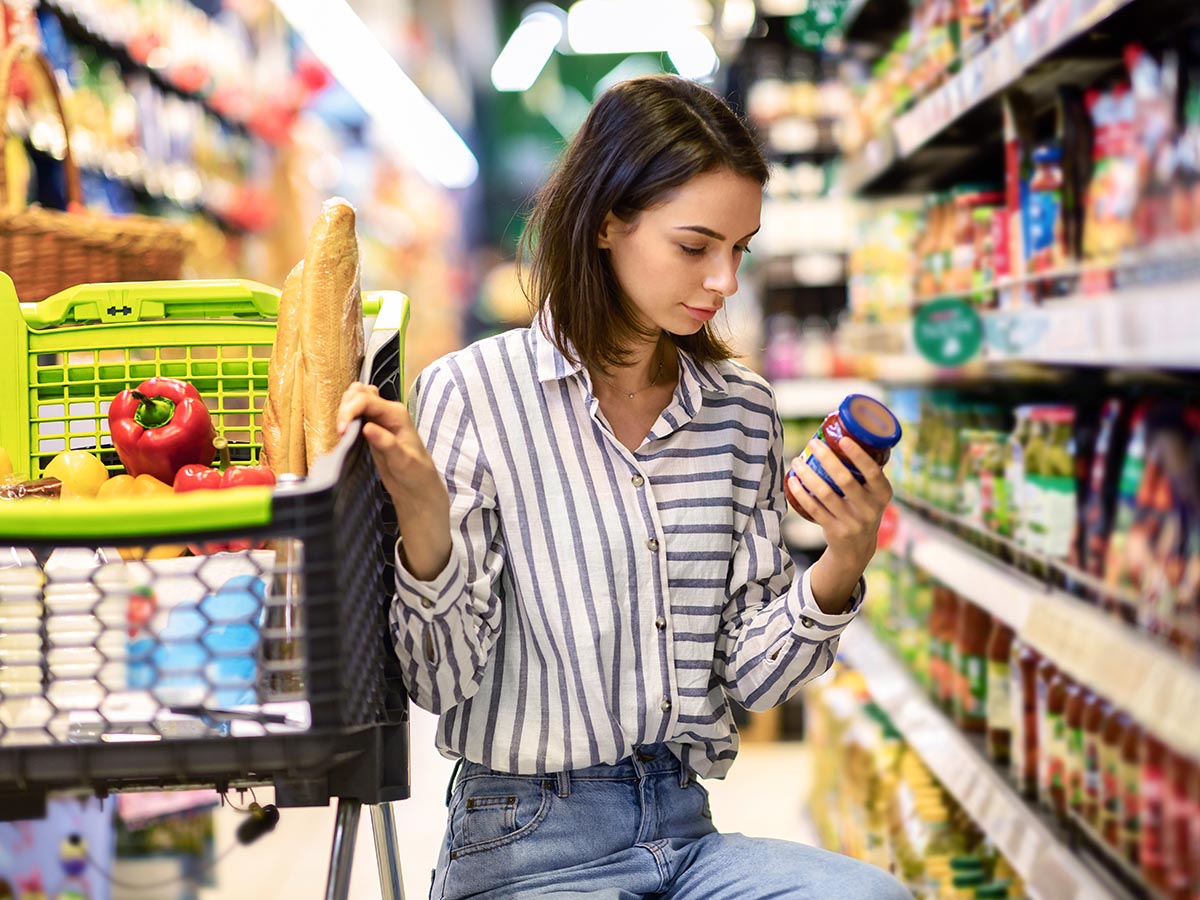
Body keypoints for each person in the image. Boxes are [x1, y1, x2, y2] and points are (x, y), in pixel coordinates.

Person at [337, 74, 910, 900]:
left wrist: (844, 558)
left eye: (739, 249)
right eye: (694, 246)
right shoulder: (473, 392)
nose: (724, 282)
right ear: (608, 222)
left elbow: (753, 677)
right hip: (522, 834)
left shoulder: (741, 410)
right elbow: (439, 682)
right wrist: (425, 529)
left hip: (684, 824)